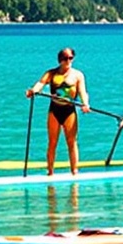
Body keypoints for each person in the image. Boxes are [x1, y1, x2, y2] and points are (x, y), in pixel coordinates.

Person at [27, 48, 89, 176]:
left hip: (69, 110)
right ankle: (50, 172)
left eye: (70, 58)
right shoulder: (51, 73)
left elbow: (83, 92)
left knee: (71, 142)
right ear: (60, 60)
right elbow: (40, 83)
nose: (68, 61)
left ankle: (74, 172)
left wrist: (85, 104)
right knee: (52, 142)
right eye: (65, 58)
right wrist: (33, 91)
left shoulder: (78, 75)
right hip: (54, 110)